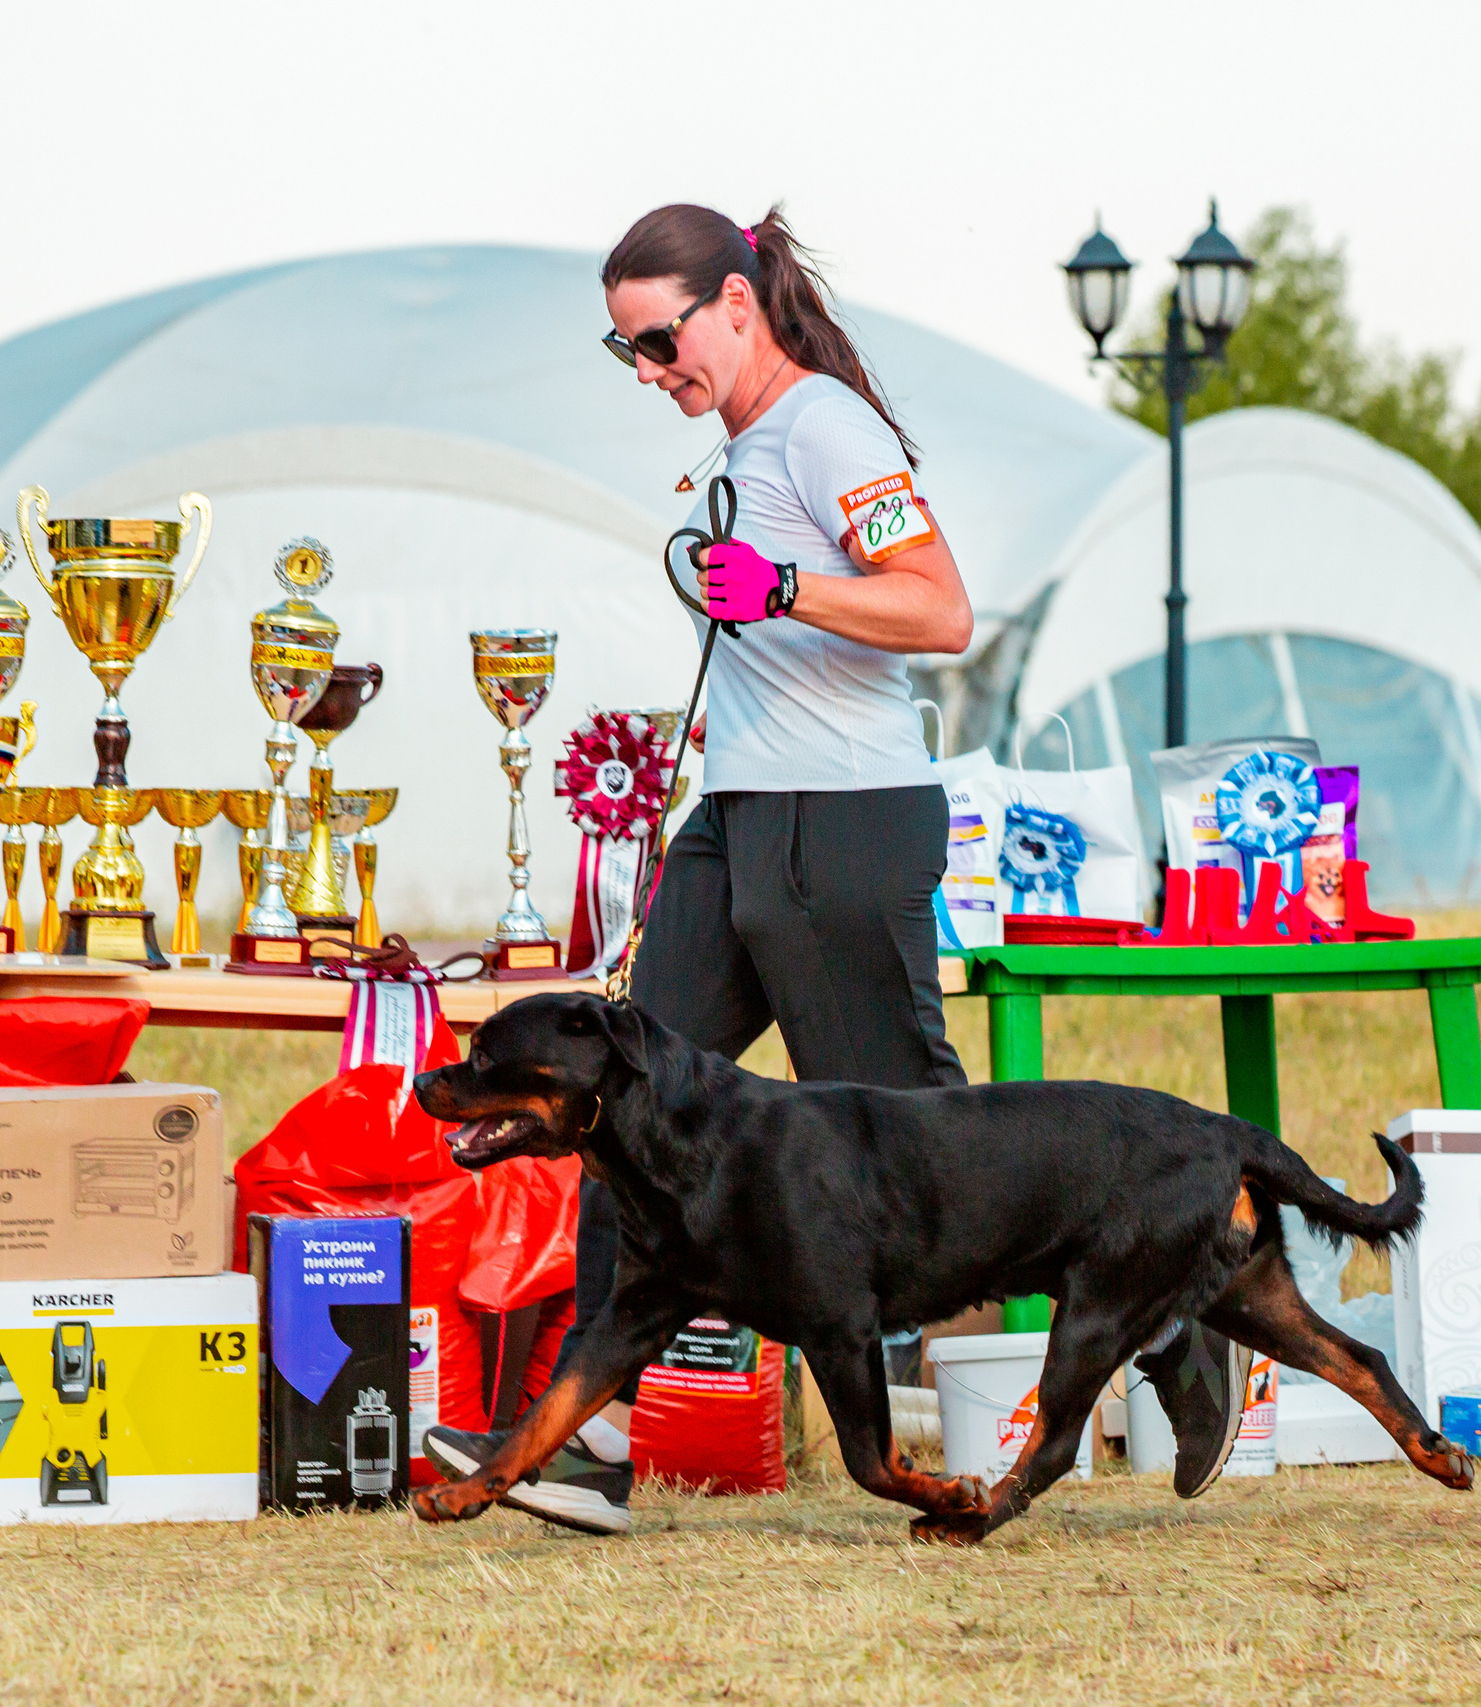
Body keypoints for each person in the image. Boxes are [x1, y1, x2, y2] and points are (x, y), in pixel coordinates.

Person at [424, 204, 1240, 1532]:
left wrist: (785, 592)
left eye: (658, 339)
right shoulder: (750, 443)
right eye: (622, 348)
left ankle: (1185, 1305)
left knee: (926, 1141)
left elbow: (940, 608)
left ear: (735, 302)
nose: (647, 371)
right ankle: (586, 1443)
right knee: (621, 1112)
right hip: (743, 812)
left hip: (843, 823)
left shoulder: (827, 431)